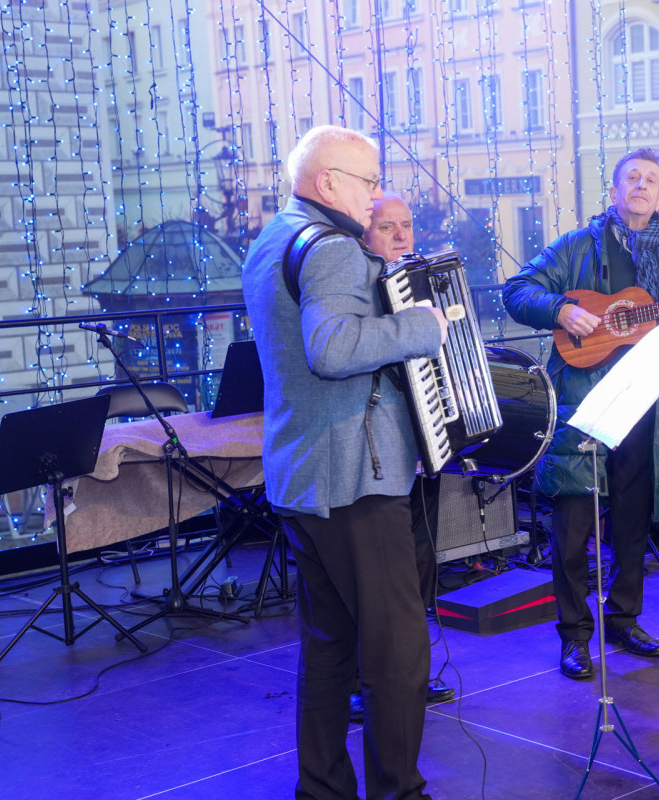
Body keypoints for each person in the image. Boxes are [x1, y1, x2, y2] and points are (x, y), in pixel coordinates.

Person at [242, 125, 447, 800]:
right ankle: (399, 790)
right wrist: (424, 326)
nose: (375, 193)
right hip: (357, 478)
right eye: (367, 180)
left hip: (304, 475)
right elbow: (331, 349)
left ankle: (323, 789)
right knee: (397, 653)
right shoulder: (331, 249)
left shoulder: (273, 238)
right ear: (329, 181)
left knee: (329, 647)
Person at [503, 147, 659, 680]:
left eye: (651, 180)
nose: (642, 186)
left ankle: (624, 618)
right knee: (573, 525)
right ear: (616, 190)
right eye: (632, 178)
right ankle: (575, 635)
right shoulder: (578, 245)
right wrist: (559, 309)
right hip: (585, 402)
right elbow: (516, 289)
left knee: (631, 521)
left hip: (648, 405)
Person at [344, 192, 454, 720]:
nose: (401, 236)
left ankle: (410, 677)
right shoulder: (358, 288)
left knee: (417, 568)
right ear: (364, 234)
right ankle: (367, 685)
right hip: (373, 453)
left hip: (421, 440)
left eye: (406, 225)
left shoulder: (419, 283)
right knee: (377, 584)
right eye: (387, 226)